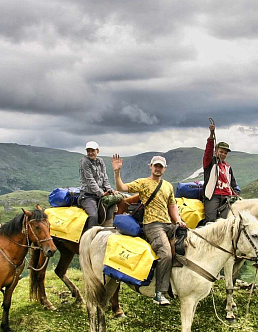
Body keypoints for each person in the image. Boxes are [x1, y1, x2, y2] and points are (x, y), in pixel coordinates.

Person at [111, 153, 186, 306]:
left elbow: (172, 205)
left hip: (168, 224)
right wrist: (117, 172)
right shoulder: (143, 183)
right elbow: (122, 188)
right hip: (152, 225)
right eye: (155, 165)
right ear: (150, 167)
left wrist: (178, 220)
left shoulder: (168, 186)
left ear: (164, 169)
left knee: (187, 243)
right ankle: (159, 293)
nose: (158, 169)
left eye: (161, 166)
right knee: (165, 253)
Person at [202, 120, 239, 224]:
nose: (223, 154)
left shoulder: (228, 168)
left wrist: (236, 194)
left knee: (228, 221)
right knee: (211, 221)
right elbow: (208, 151)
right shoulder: (210, 163)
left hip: (227, 197)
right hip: (213, 195)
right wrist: (211, 135)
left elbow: (233, 184)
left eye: (225, 153)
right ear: (216, 151)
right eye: (221, 152)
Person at [78, 141, 114, 231]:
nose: (90, 153)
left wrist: (109, 189)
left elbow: (105, 177)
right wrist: (101, 193)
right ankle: (89, 237)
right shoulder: (84, 162)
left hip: (100, 194)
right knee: (93, 215)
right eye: (88, 151)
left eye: (92, 151)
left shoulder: (100, 161)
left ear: (97, 151)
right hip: (87, 195)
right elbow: (90, 180)